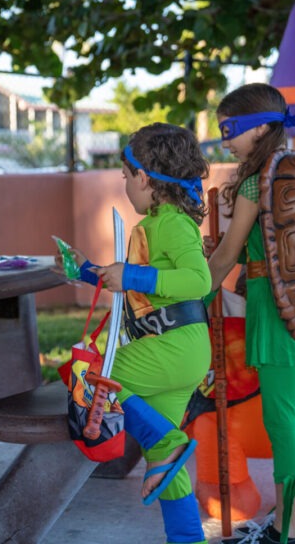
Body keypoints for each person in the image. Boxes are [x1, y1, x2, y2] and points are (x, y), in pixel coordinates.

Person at [59, 123, 211, 544]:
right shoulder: (159, 223)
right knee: (164, 460)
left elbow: (198, 281)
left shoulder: (174, 224)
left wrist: (134, 275)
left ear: (144, 177)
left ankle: (169, 440)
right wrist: (89, 270)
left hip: (172, 347)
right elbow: (132, 282)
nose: (124, 184)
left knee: (88, 376)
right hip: (174, 350)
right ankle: (187, 537)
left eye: (126, 176)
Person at [207, 83, 295, 544]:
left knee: (280, 420)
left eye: (230, 130)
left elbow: (229, 254)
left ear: (260, 129)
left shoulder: (259, 179)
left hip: (274, 312)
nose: (225, 140)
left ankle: (284, 531)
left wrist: (191, 289)